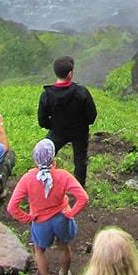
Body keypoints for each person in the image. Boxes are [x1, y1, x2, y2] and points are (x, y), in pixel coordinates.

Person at [7, 138, 89, 275]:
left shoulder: (28, 179)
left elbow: (12, 207)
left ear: (35, 161)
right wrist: (71, 212)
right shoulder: (62, 176)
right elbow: (83, 197)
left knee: (39, 251)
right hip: (61, 218)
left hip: (40, 222)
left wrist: (28, 218)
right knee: (64, 247)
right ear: (54, 160)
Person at [37, 56, 98, 187]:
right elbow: (92, 115)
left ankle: (41, 182)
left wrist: (53, 125)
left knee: (46, 154)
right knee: (80, 160)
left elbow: (42, 120)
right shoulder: (82, 92)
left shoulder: (47, 95)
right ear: (70, 74)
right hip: (79, 132)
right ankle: (79, 188)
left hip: (57, 131)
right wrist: (82, 124)